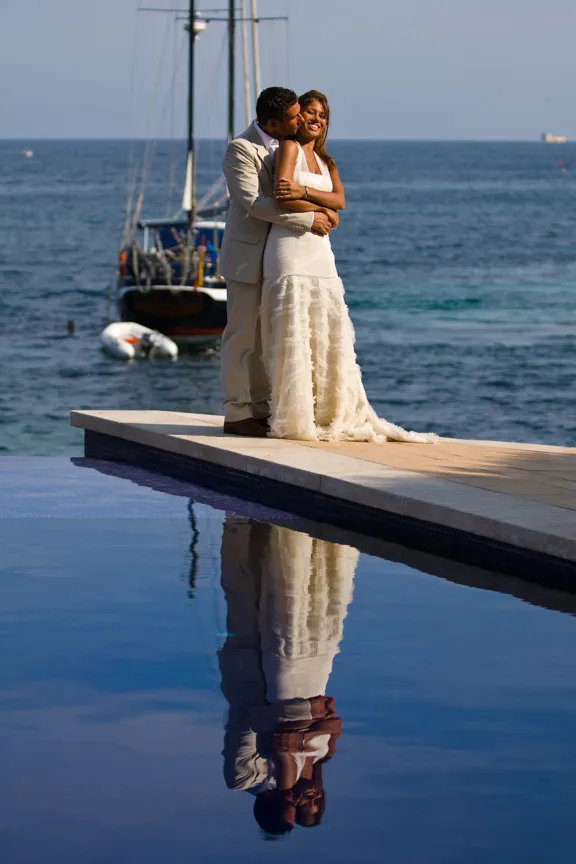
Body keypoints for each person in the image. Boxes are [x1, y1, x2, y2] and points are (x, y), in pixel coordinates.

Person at [261, 90, 437, 442]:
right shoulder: (289, 149)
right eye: (310, 112)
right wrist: (319, 210)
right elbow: (282, 194)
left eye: (322, 115)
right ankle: (296, 417)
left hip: (321, 252)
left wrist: (309, 196)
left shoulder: (329, 162)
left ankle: (327, 411)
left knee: (326, 327)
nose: (316, 119)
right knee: (294, 329)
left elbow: (339, 200)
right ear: (298, 118)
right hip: (290, 249)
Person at [218, 516, 356, 837]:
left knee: (243, 593)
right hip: (286, 680)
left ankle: (244, 525)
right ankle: (299, 532)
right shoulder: (313, 768)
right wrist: (300, 734)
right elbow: (328, 719)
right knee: (284, 607)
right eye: (304, 808)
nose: (298, 803)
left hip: (250, 677)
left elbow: (250, 726)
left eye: (292, 810)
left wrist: (303, 723)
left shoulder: (243, 778)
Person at [219, 87, 338, 438]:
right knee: (242, 336)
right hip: (246, 256)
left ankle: (261, 408)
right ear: (271, 123)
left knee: (267, 337)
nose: (302, 119)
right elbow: (254, 203)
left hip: (278, 257)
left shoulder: (294, 144)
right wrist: (311, 217)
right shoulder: (241, 149)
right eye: (294, 116)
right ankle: (237, 413)